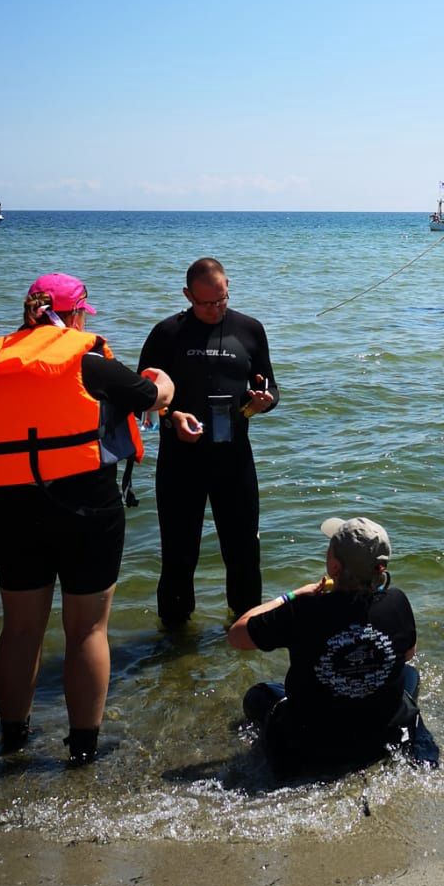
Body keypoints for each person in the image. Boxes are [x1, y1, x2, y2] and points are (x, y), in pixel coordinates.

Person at [0, 273, 174, 763]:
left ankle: (13, 740)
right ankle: (82, 750)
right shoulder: (90, 363)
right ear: (75, 314)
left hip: (14, 507)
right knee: (86, 630)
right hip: (87, 507)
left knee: (19, 629)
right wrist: (164, 380)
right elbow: (152, 399)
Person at [227, 515, 436, 772]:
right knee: (409, 674)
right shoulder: (397, 602)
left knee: (257, 696)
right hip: (376, 737)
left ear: (334, 567)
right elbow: (408, 653)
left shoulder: (303, 609)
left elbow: (237, 635)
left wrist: (291, 596)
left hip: (312, 741)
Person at [138, 258, 278, 626]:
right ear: (188, 296)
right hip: (180, 461)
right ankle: (173, 644)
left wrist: (264, 401)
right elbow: (142, 400)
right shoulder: (166, 334)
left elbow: (271, 388)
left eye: (222, 300)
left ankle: (245, 634)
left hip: (234, 460)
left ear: (228, 287)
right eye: (206, 304)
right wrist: (172, 417)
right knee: (179, 556)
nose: (215, 310)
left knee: (244, 553)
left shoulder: (250, 329)